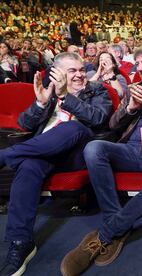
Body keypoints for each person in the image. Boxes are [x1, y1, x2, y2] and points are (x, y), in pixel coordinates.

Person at [60, 46, 142, 276]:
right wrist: (130, 108)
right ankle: (117, 223)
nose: (138, 68)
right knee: (93, 148)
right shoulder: (132, 90)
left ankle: (106, 234)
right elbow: (113, 125)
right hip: (129, 148)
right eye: (137, 63)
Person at [0, 52, 112, 276]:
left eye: (81, 69)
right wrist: (40, 104)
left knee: (73, 127)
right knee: (29, 166)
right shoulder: (48, 92)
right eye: (73, 71)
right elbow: (24, 123)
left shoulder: (96, 89)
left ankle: (4, 156)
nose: (80, 75)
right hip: (44, 152)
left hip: (76, 155)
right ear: (58, 73)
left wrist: (66, 97)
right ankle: (21, 243)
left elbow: (98, 118)